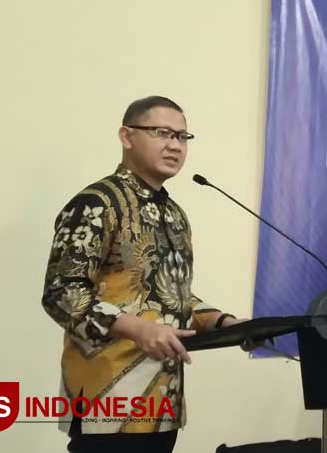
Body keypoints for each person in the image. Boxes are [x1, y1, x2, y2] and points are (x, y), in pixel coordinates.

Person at [42, 96, 243, 453]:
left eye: (182, 137)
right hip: (107, 398)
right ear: (126, 135)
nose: (174, 145)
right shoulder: (96, 203)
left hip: (163, 399)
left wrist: (223, 322)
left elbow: (168, 296)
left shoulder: (175, 215)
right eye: (162, 132)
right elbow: (62, 293)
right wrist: (138, 329)